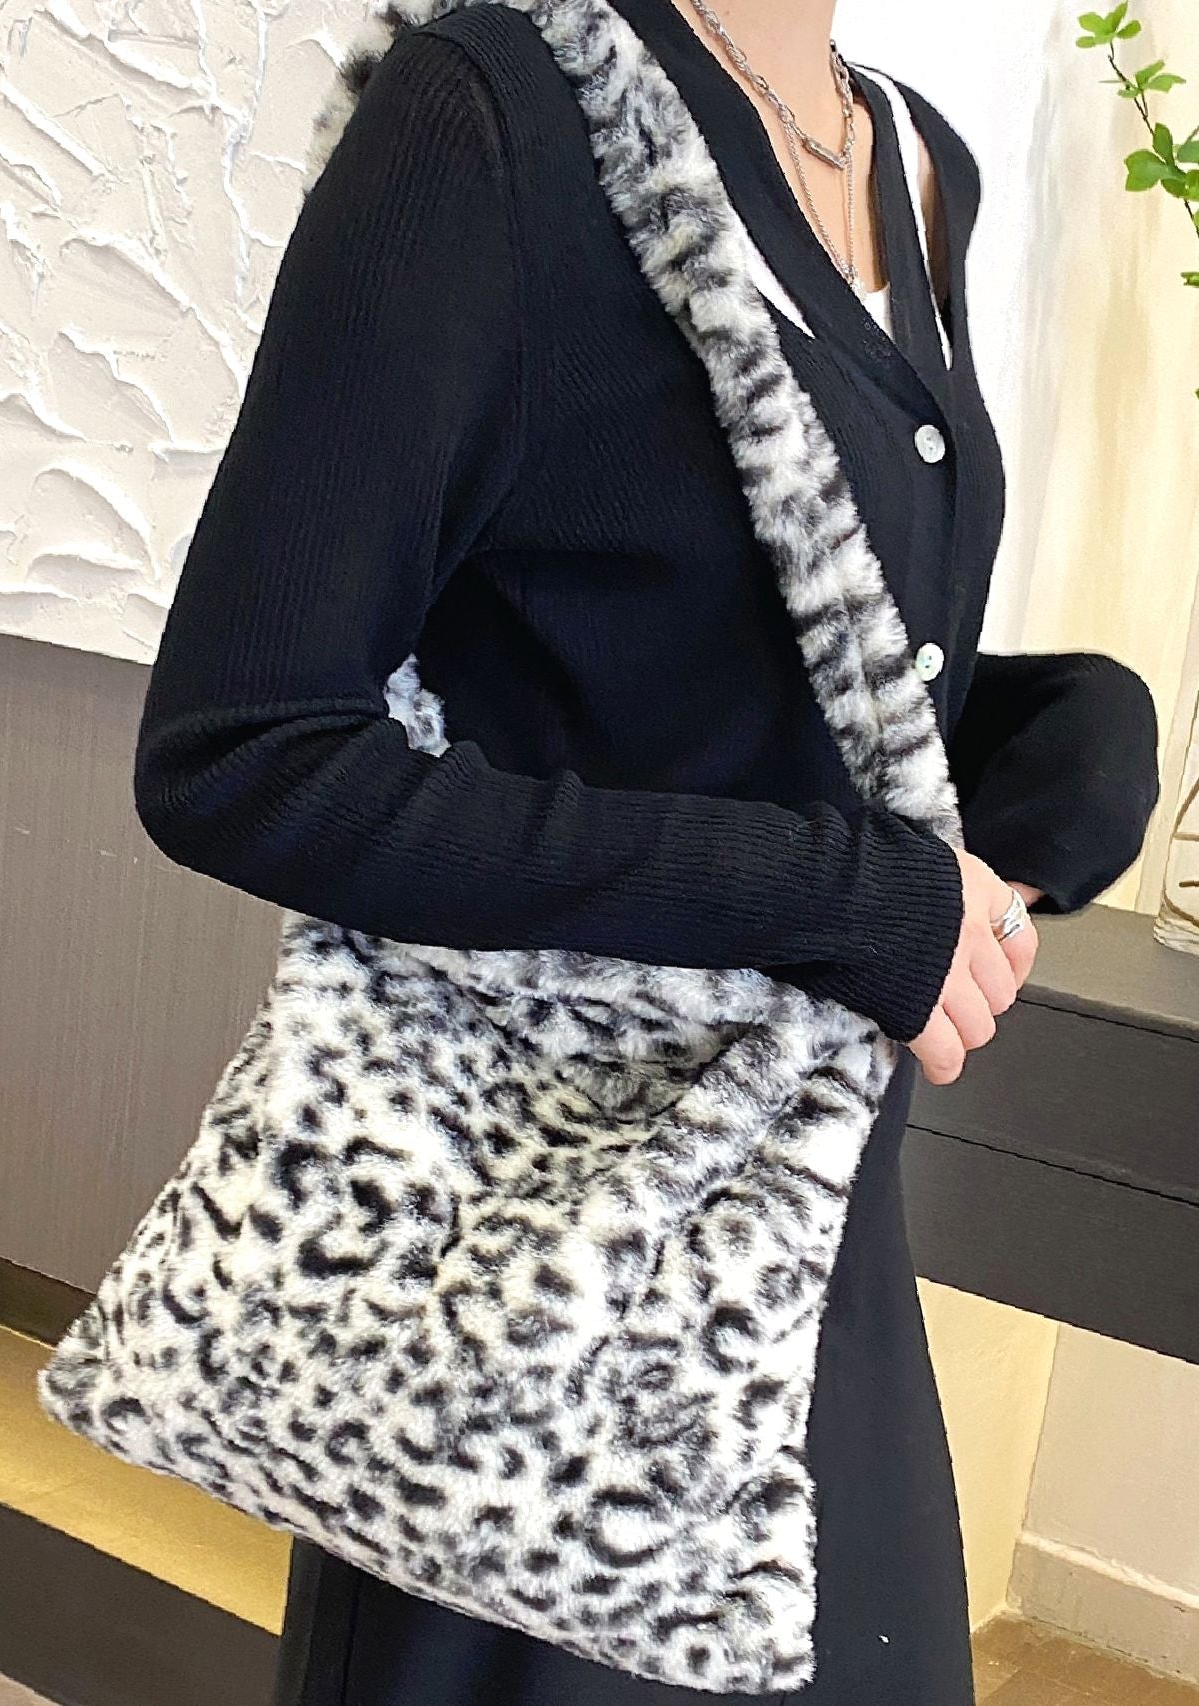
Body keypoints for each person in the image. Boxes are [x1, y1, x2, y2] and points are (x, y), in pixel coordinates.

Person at [130, 0, 1162, 1699]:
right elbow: (243, 748)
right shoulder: (491, 116)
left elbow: (734, 666)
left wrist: (1055, 732)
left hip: (811, 1255)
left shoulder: (922, 168)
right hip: (540, 1305)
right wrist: (838, 896)